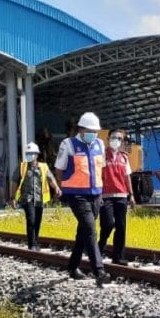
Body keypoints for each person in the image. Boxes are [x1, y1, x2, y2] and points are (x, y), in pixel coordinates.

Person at [54, 112, 112, 286]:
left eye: (95, 130)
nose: (93, 133)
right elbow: (59, 168)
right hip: (76, 194)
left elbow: (101, 168)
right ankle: (99, 271)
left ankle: (72, 267)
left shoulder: (100, 144)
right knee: (90, 229)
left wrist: (101, 192)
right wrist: (62, 187)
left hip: (95, 194)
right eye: (90, 130)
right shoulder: (68, 144)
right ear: (81, 129)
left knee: (83, 232)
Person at [10, 142, 62, 251]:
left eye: (32, 153)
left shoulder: (43, 167)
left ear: (37, 155)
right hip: (26, 199)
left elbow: (50, 178)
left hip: (40, 199)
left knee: (37, 221)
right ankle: (31, 245)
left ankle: (35, 242)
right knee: (31, 220)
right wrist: (13, 198)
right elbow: (14, 182)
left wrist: (56, 188)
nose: (29, 155)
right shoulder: (22, 167)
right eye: (28, 153)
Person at [98, 128, 135, 265]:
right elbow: (97, 175)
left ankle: (118, 256)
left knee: (121, 226)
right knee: (107, 224)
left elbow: (127, 177)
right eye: (114, 137)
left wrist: (131, 195)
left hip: (121, 195)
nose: (116, 141)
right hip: (105, 196)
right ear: (108, 139)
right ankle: (100, 246)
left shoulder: (124, 157)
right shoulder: (101, 156)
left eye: (119, 138)